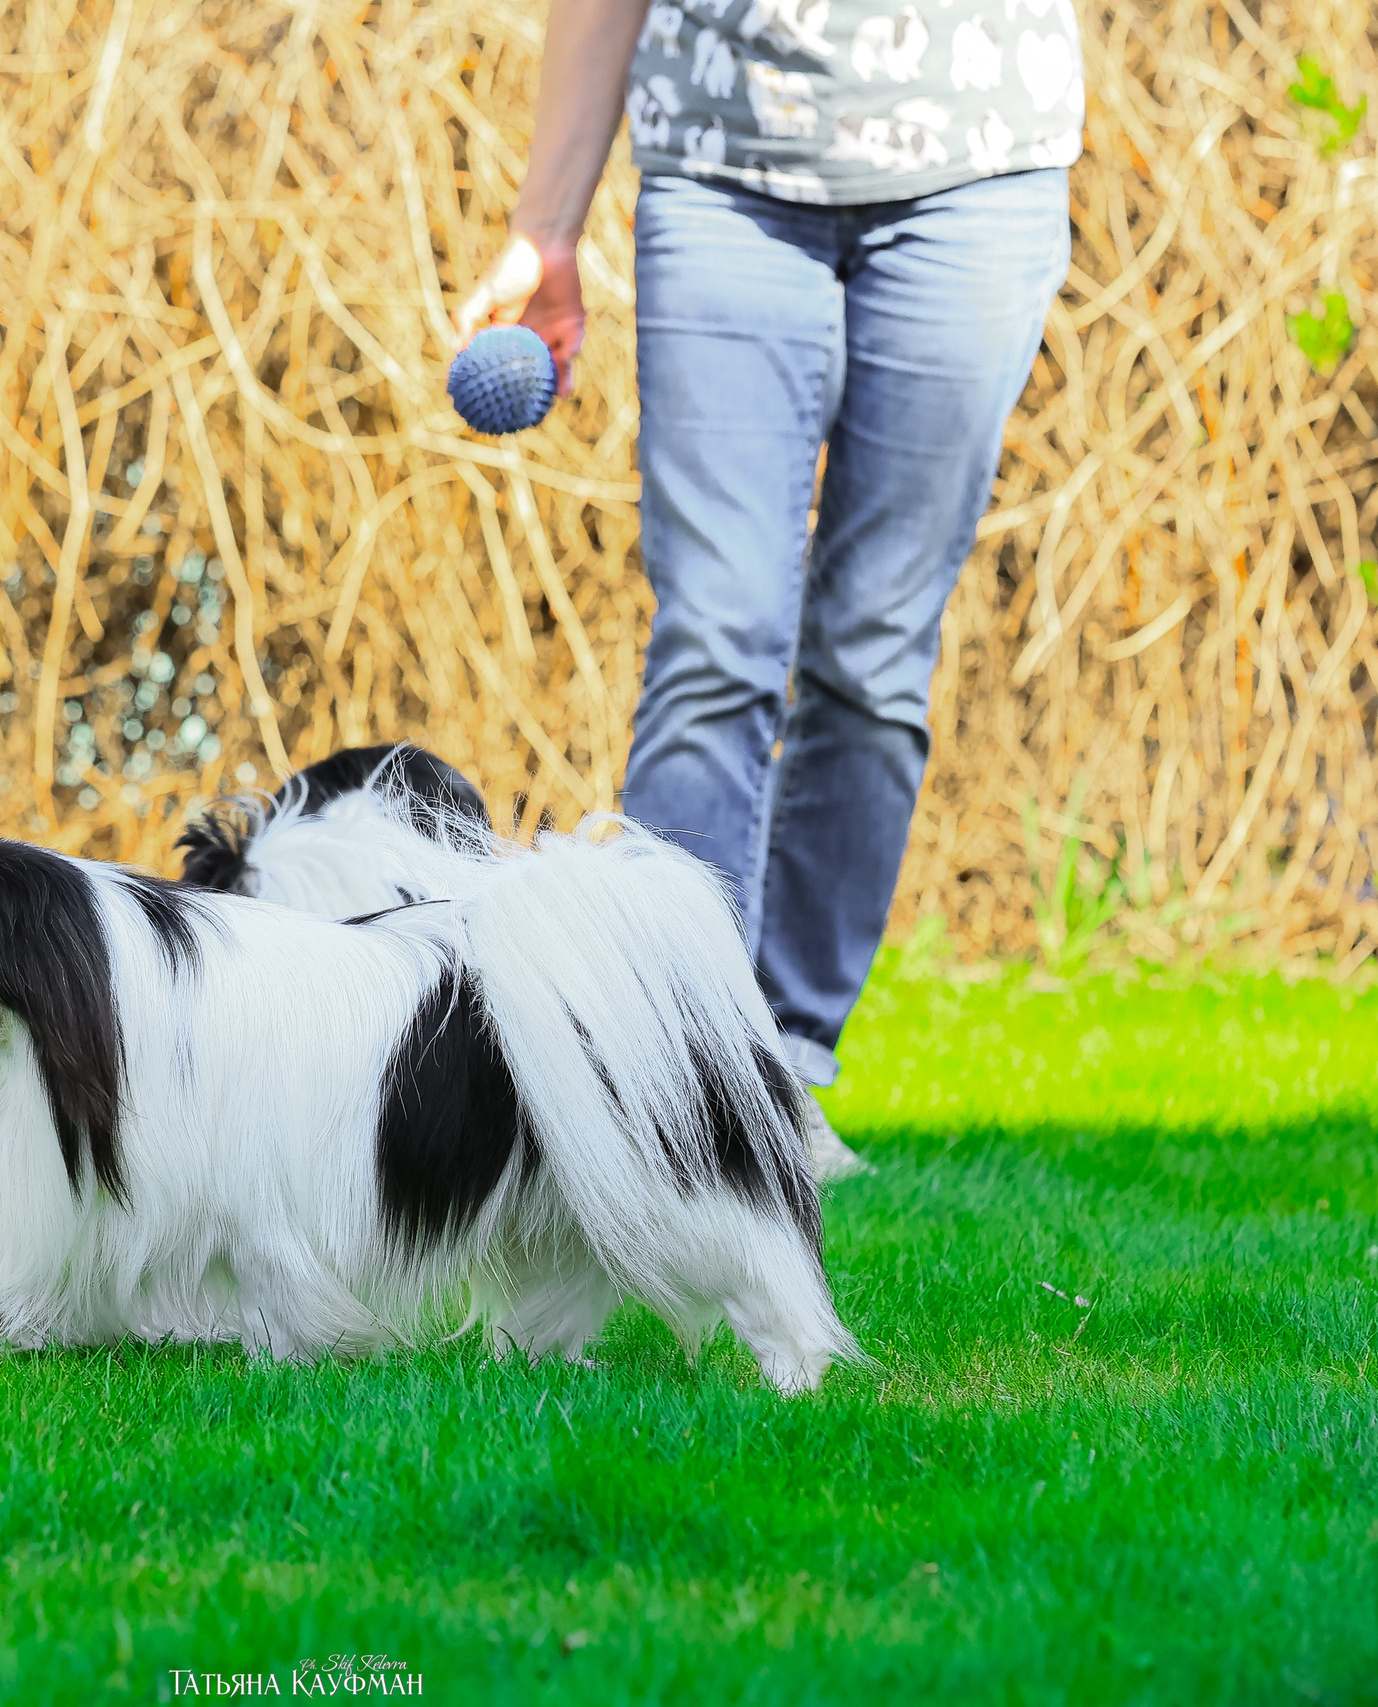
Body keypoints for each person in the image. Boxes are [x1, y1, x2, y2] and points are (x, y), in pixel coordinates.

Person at [451, 0, 1083, 1178]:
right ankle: (665, 1054)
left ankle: (783, 1061)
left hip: (978, 175)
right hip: (725, 168)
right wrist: (548, 223)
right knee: (717, 637)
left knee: (874, 657)